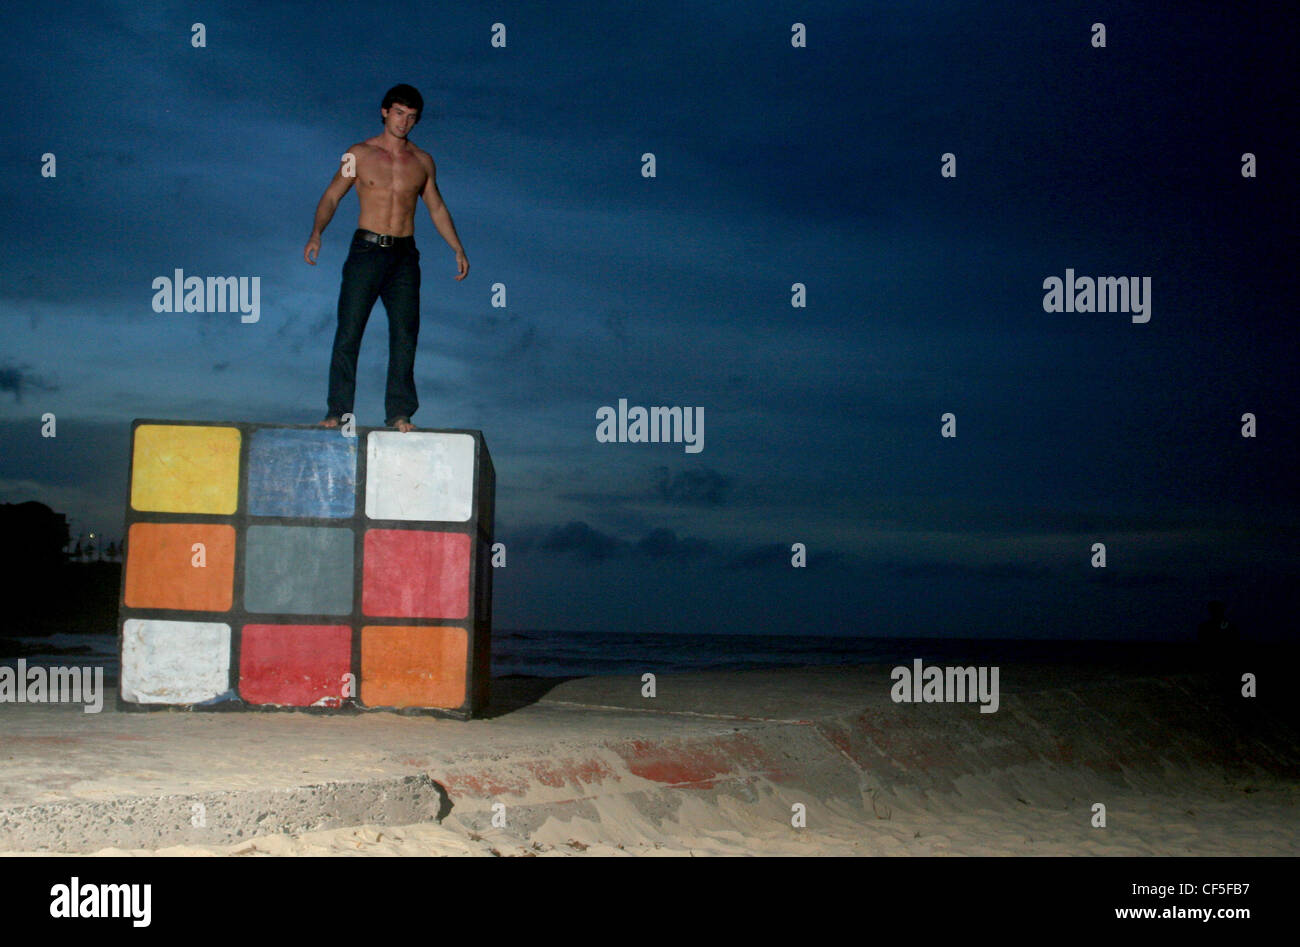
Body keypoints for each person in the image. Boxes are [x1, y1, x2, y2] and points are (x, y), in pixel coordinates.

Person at [304, 83, 468, 432]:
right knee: (349, 332)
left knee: (405, 334)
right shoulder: (358, 153)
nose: (404, 122)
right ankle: (338, 412)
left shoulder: (423, 161)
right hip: (366, 250)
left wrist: (457, 247)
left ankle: (399, 413)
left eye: (411, 117)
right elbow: (333, 195)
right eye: (398, 113)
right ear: (384, 111)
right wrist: (317, 232)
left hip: (404, 257)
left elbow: (436, 206)